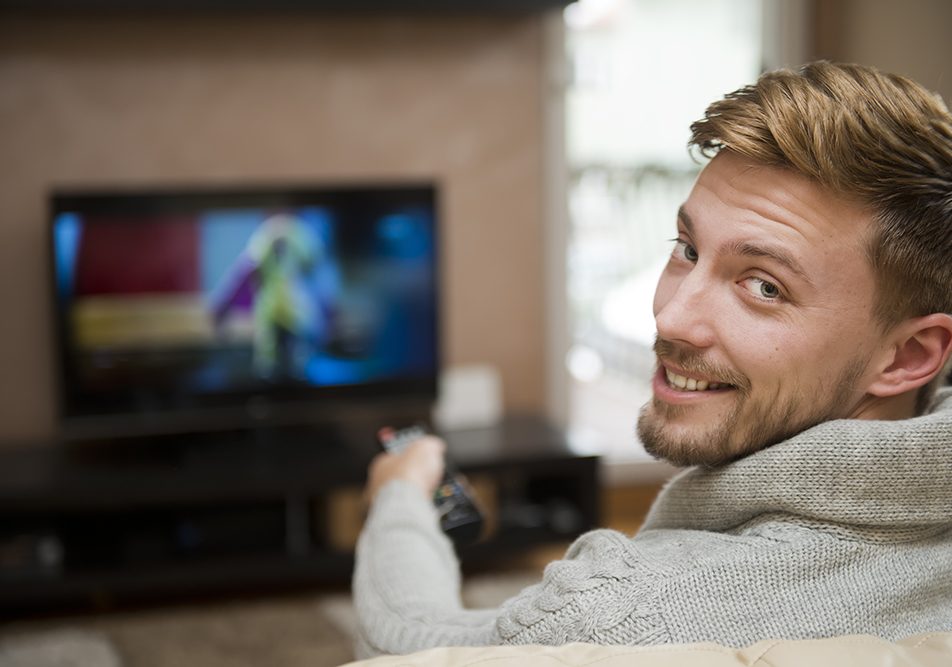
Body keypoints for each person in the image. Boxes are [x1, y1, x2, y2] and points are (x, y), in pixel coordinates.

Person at [351, 61, 952, 657]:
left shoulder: (628, 616)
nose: (671, 318)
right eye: (688, 249)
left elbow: (414, 642)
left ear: (908, 356)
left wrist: (400, 494)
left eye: (764, 286)